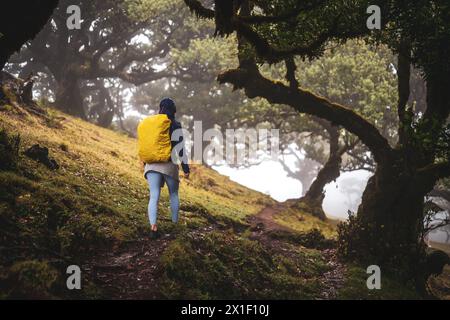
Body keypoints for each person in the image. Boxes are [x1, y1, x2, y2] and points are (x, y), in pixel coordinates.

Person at [143, 98, 190, 239]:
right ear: (174, 110)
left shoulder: (152, 123)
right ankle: (174, 224)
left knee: (154, 196)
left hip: (151, 164)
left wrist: (146, 161)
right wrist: (185, 168)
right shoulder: (175, 125)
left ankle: (153, 227)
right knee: (173, 194)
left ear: (160, 108)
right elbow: (181, 149)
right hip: (169, 164)